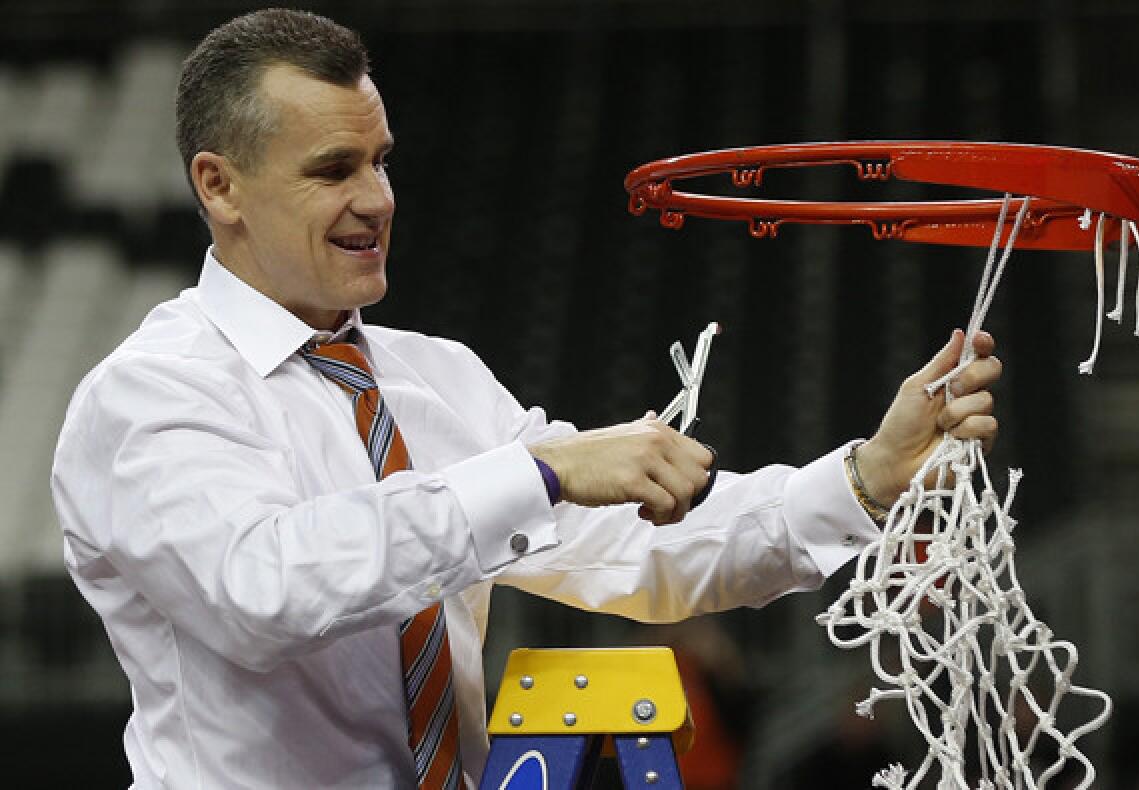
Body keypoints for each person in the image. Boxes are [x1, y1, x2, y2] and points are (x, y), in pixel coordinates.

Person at [50, 9, 1002, 789]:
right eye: (333, 171)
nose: (378, 199)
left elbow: (643, 553)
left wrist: (866, 480)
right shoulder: (148, 396)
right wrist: (538, 472)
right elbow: (264, 592)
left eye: (380, 160)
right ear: (219, 186)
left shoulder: (441, 379)